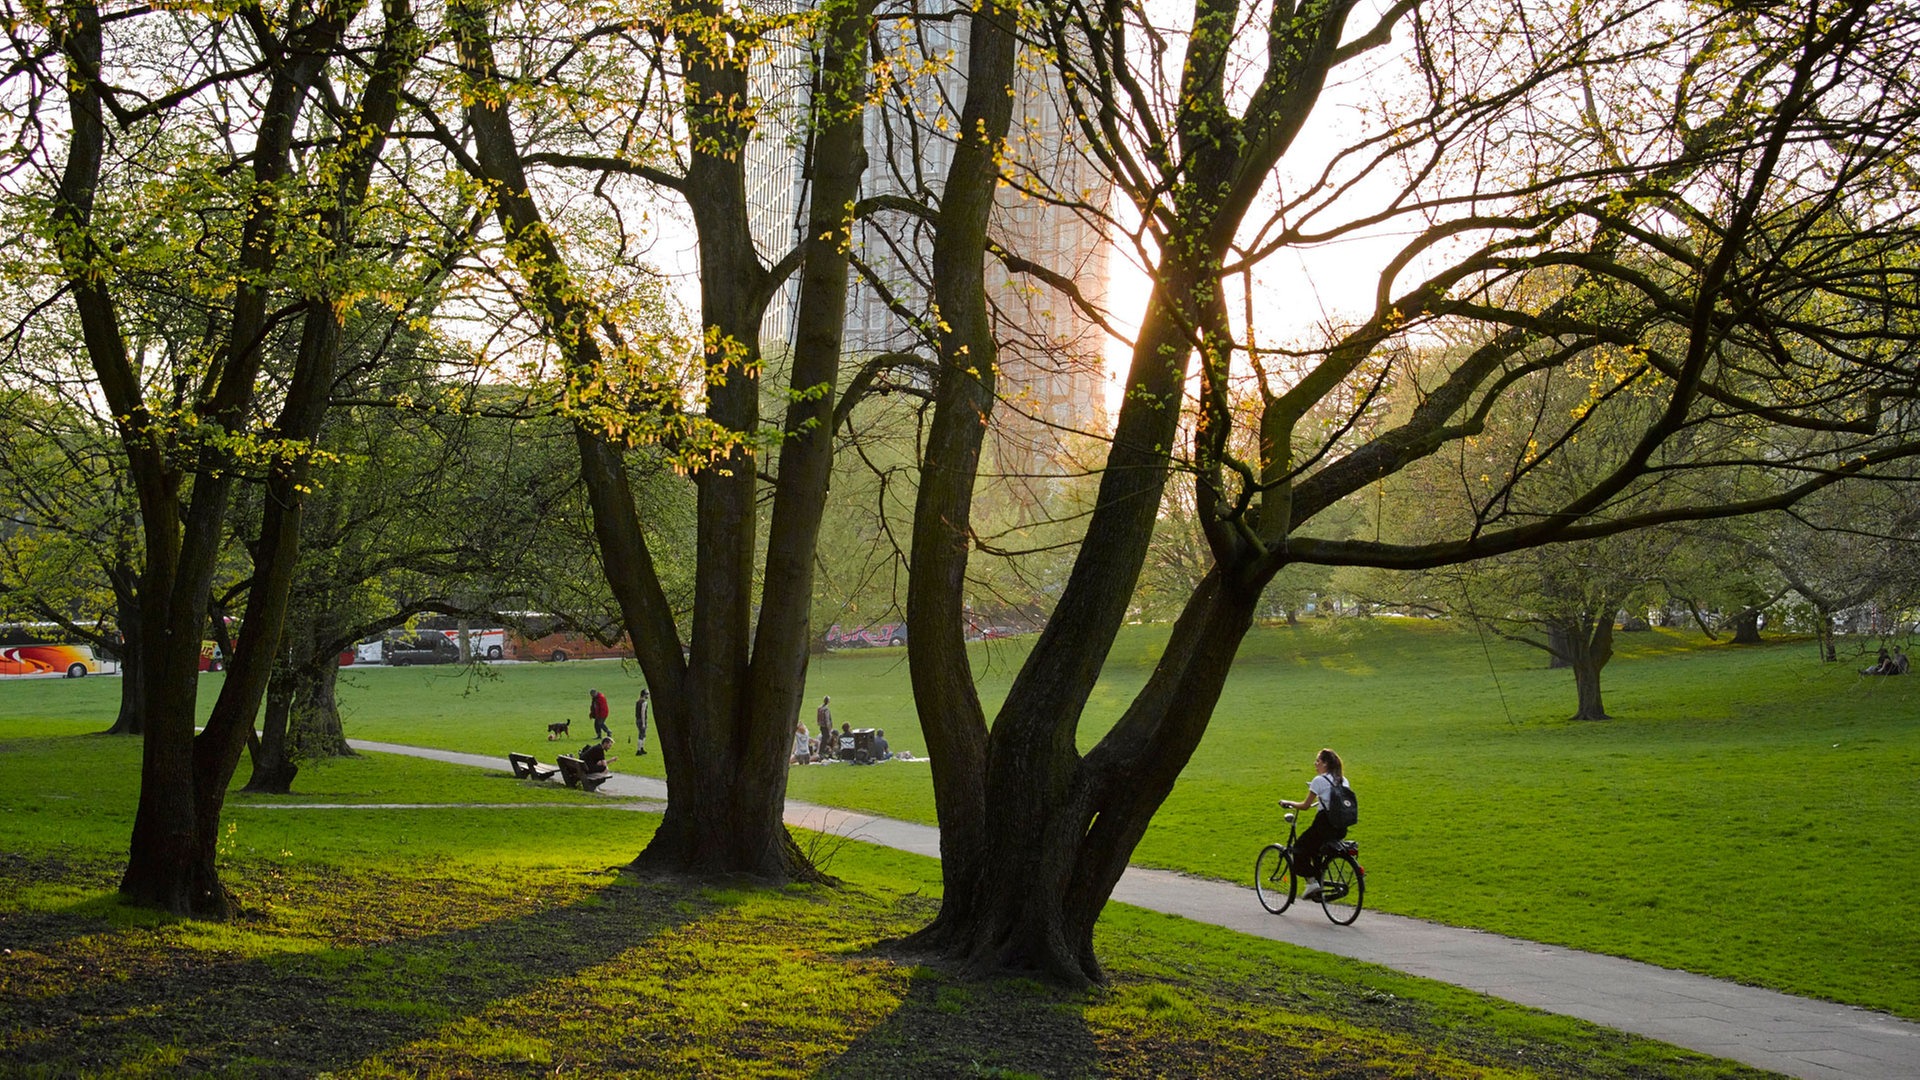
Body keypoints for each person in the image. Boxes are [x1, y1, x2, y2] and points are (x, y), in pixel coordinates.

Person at [1279, 747, 1351, 902]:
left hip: (1323, 825)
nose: (1315, 764)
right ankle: (1318, 882)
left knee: (1298, 849)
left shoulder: (1319, 781)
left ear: (1325, 764)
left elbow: (1305, 806)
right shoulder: (1343, 780)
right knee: (1315, 850)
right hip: (1340, 828)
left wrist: (1288, 802)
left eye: (1318, 761)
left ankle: (1312, 882)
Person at [634, 688, 650, 754]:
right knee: (641, 735)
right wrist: (644, 723)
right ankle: (639, 750)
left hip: (637, 720)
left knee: (643, 734)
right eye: (647, 694)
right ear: (644, 695)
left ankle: (641, 748)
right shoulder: (644, 702)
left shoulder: (638, 702)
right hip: (642, 720)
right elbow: (643, 713)